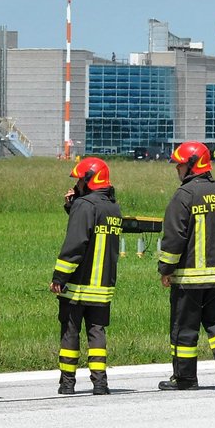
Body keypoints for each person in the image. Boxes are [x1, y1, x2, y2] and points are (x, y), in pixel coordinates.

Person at [156, 140, 215, 392]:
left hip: (189, 280)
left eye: (180, 165)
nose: (177, 170)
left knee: (185, 329)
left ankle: (185, 379)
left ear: (193, 165)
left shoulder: (184, 196)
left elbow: (174, 238)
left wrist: (166, 270)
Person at [50, 157, 123, 396]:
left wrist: (59, 277)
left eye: (81, 178)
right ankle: (100, 383)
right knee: (97, 333)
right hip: (102, 287)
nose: (77, 183)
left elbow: (76, 243)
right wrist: (73, 208)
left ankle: (67, 383)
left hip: (79, 286)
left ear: (89, 179)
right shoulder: (113, 208)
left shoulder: (85, 206)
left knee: (71, 332)